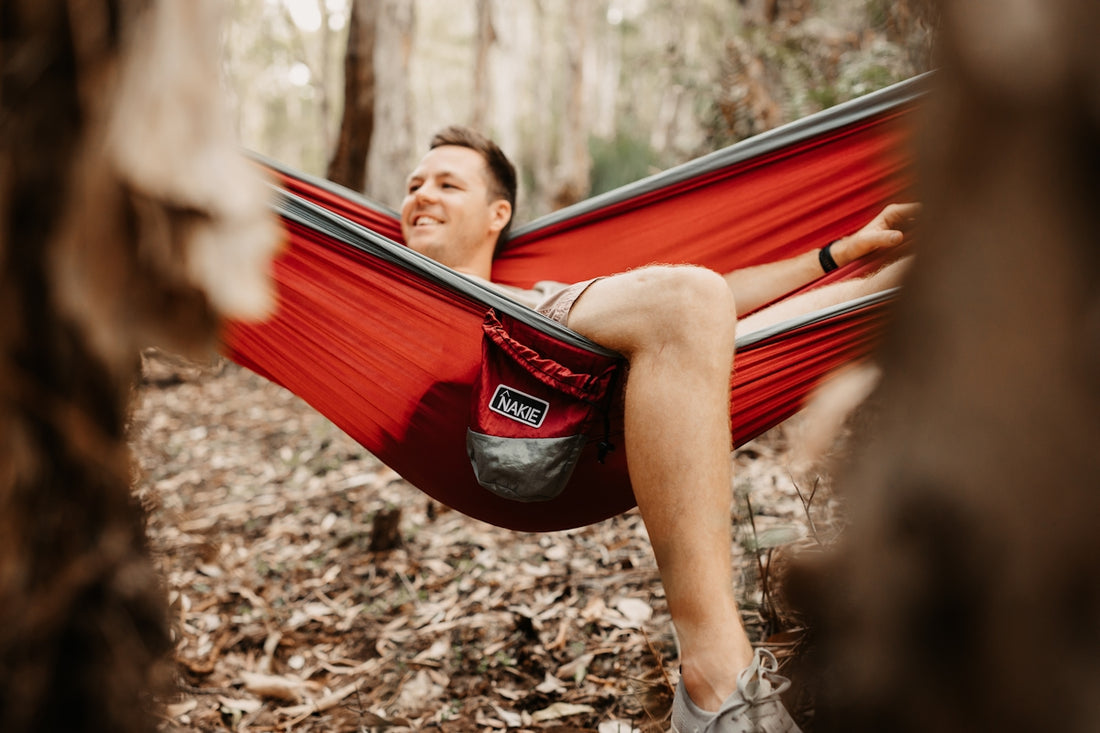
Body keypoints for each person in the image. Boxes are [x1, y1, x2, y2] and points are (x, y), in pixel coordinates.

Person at [401, 125, 917, 733]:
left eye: (446, 183)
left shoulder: (543, 289)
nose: (421, 196)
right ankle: (715, 679)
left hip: (571, 348)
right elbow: (690, 299)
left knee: (886, 280)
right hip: (514, 356)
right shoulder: (387, 291)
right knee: (688, 297)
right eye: (412, 185)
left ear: (498, 214)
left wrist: (840, 254)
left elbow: (711, 303)